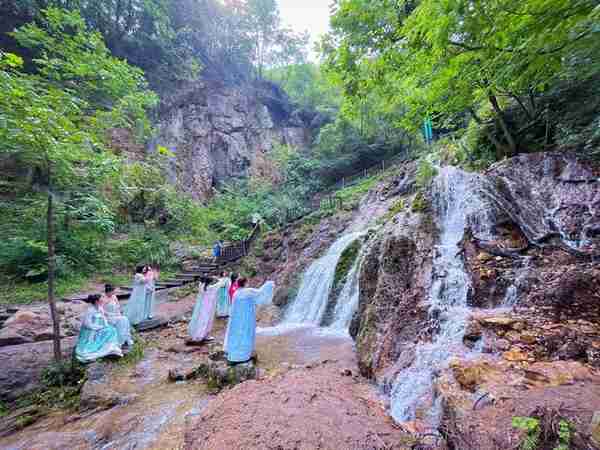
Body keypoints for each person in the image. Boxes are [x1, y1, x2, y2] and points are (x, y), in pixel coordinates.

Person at [225, 278, 274, 364]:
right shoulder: (248, 291)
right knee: (246, 333)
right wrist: (269, 284)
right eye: (247, 282)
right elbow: (261, 292)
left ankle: (234, 355)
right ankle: (243, 356)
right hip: (246, 318)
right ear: (245, 283)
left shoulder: (236, 293)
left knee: (238, 335)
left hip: (237, 319)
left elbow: (233, 308)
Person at [75, 294, 123, 363]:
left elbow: (104, 318)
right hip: (91, 330)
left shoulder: (100, 308)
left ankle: (111, 348)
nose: (103, 300)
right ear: (97, 301)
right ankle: (97, 349)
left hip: (101, 327)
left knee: (112, 330)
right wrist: (98, 327)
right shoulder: (90, 310)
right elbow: (87, 323)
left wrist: (105, 325)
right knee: (107, 331)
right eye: (101, 300)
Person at [188, 277, 218, 343]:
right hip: (208, 307)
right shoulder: (211, 288)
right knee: (205, 321)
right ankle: (201, 335)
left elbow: (201, 282)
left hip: (202, 307)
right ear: (210, 282)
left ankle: (199, 334)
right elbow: (219, 284)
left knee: (200, 320)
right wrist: (217, 279)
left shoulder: (201, 286)